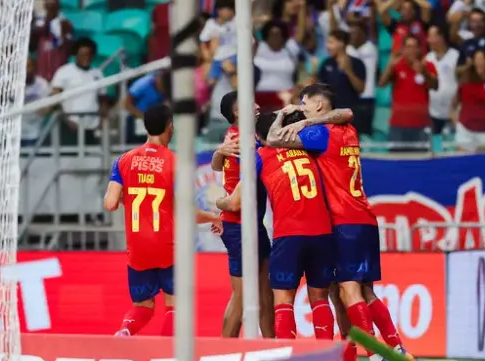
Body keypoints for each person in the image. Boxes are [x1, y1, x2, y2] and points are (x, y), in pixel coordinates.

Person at [269, 83, 414, 361]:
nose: (302, 109)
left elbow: (272, 139)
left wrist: (288, 116)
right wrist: (309, 117)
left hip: (343, 223)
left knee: (349, 293)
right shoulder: (349, 131)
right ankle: (399, 352)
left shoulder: (320, 134)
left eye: (305, 104)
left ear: (319, 106)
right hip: (365, 219)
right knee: (364, 291)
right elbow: (345, 112)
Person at [216, 111, 336, 342]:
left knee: (283, 300)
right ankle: (324, 356)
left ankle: (286, 358)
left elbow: (234, 203)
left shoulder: (261, 155)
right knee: (320, 299)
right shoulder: (309, 148)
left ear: (260, 137)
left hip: (289, 235)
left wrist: (217, 201)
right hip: (322, 232)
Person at [104, 104, 222, 337]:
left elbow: (110, 203)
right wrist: (213, 217)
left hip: (137, 248)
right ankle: (166, 353)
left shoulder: (124, 160)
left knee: (143, 307)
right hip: (167, 246)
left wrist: (133, 199)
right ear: (170, 127)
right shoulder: (176, 163)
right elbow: (186, 210)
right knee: (175, 305)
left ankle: (126, 331)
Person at [209, 91, 276, 339]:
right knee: (243, 296)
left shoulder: (237, 137)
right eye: (251, 103)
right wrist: (220, 202)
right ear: (237, 113)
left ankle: (272, 346)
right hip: (238, 226)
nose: (257, 105)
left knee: (264, 292)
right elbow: (235, 203)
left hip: (253, 226)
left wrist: (218, 152)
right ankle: (223, 353)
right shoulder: (242, 141)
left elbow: (218, 164)